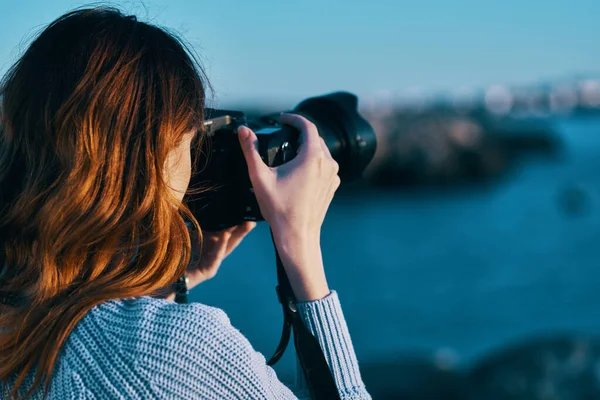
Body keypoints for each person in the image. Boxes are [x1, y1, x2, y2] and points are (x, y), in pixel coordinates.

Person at [0, 7, 371, 400]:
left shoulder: (18, 315)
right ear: (151, 162)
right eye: (191, 140)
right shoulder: (168, 355)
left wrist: (172, 286)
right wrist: (302, 248)